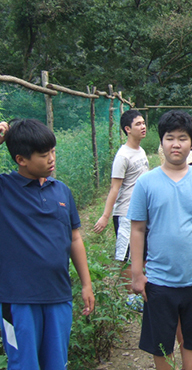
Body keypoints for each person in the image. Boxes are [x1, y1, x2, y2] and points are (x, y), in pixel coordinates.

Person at [128, 110, 192, 370]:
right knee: (161, 346)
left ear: (191, 142)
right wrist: (137, 273)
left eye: (182, 138)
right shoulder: (146, 183)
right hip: (159, 282)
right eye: (169, 138)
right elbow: (138, 230)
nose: (176, 144)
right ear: (161, 142)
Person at [0, 119, 95, 369]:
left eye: (53, 151)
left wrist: (86, 284)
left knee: (56, 363)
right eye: (44, 155)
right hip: (18, 299)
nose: (52, 158)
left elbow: (75, 237)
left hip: (58, 295)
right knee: (24, 364)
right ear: (21, 160)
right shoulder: (5, 190)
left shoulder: (61, 191)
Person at [93, 109, 149, 311]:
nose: (143, 127)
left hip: (142, 212)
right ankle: (130, 298)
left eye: (143, 123)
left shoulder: (140, 151)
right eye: (138, 124)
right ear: (127, 129)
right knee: (127, 256)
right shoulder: (122, 156)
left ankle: (141, 291)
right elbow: (115, 188)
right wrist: (105, 216)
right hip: (126, 213)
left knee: (141, 253)